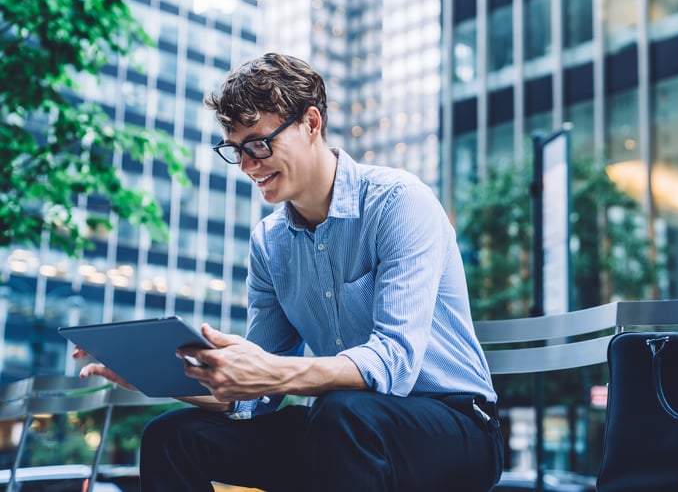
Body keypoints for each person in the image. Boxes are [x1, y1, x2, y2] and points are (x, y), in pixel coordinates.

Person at [77, 52, 504, 492]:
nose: (247, 165)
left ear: (311, 123)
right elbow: (253, 397)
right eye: (236, 150)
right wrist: (156, 378)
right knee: (171, 437)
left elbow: (394, 363)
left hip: (457, 426)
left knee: (341, 413)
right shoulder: (269, 244)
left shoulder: (398, 203)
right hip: (343, 428)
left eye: (259, 143)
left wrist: (272, 370)